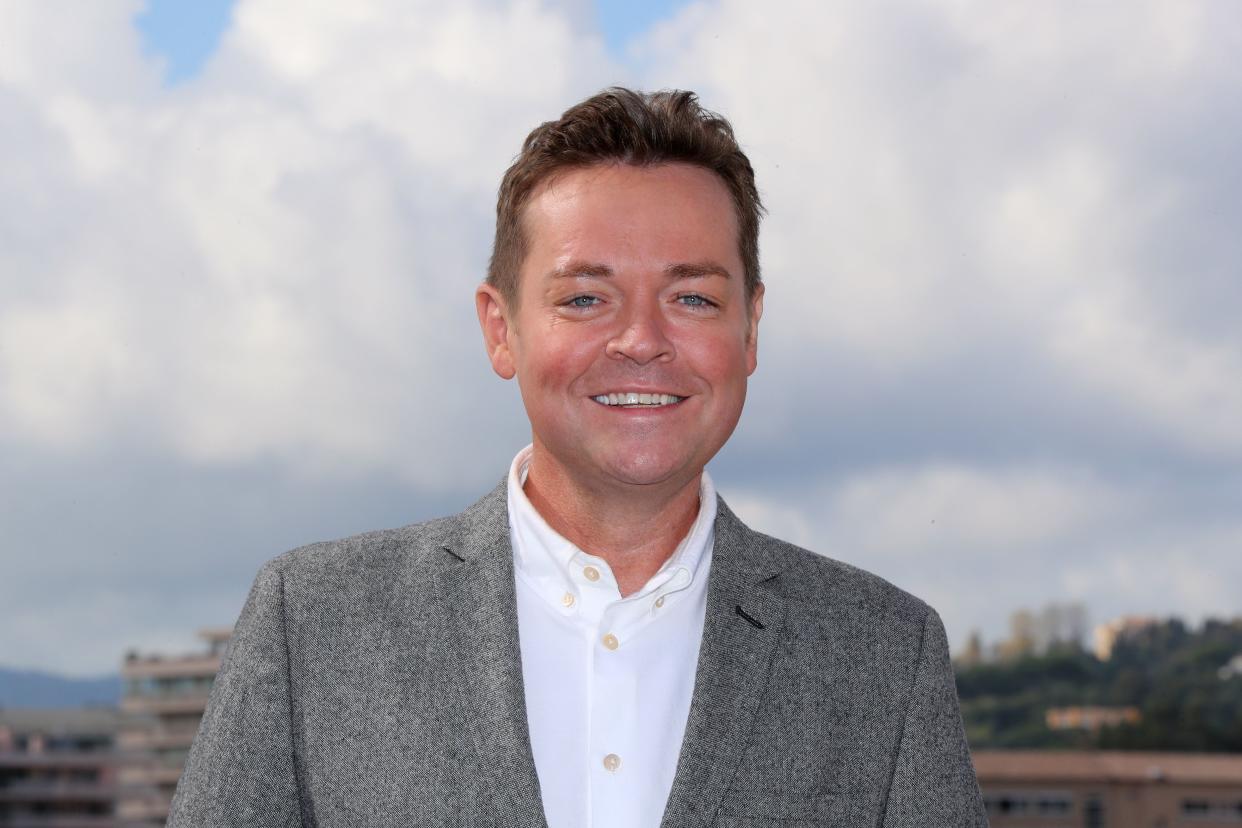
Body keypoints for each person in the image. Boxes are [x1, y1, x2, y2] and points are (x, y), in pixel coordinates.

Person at [168, 87, 987, 827]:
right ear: (501, 329)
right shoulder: (313, 625)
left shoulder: (885, 653)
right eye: (586, 298)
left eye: (693, 297)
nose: (641, 341)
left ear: (751, 330)